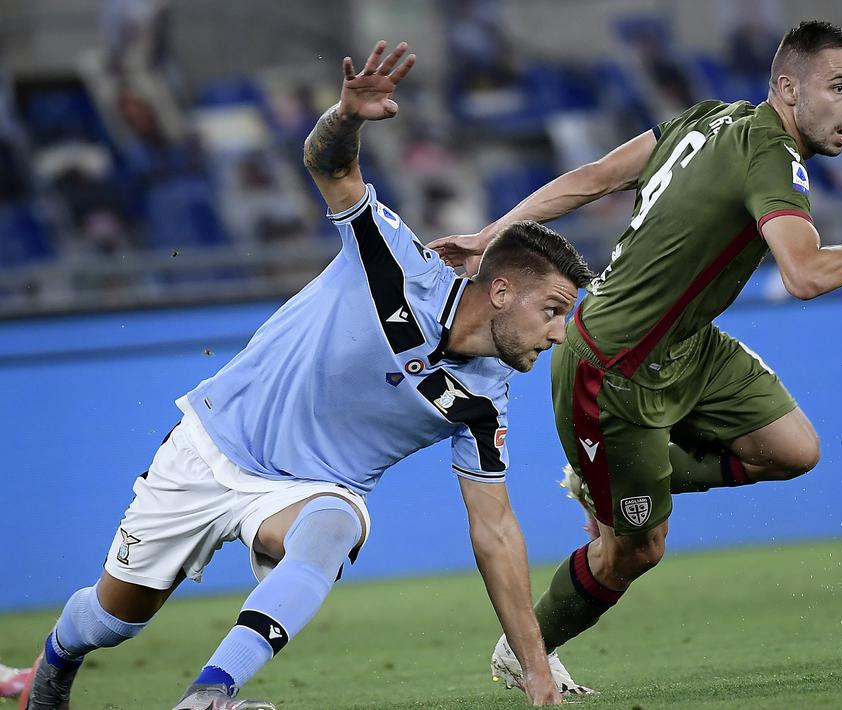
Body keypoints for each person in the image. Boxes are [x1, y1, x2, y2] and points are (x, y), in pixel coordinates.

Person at [19, 40, 591, 710]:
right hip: (210, 448)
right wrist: (346, 118)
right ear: (499, 292)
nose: (558, 334)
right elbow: (329, 165)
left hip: (310, 492)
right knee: (114, 620)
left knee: (335, 525)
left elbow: (494, 530)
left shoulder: (484, 400)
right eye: (551, 311)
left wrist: (536, 671)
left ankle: (209, 696)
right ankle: (54, 661)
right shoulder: (395, 263)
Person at [427, 20, 842, 692]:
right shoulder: (771, 156)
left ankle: (605, 483)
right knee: (635, 550)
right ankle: (526, 651)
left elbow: (594, 177)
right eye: (838, 86)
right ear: (786, 87)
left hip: (688, 346)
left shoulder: (705, 119)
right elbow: (804, 275)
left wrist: (493, 232)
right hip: (613, 371)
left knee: (793, 450)